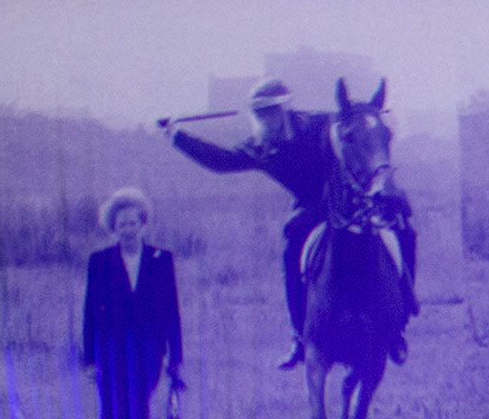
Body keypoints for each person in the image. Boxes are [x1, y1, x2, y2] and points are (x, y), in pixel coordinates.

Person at [167, 77, 417, 370]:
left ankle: (402, 312)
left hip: (350, 199)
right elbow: (220, 161)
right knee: (291, 251)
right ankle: (299, 336)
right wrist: (177, 136)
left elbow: (356, 126)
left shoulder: (318, 124)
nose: (267, 119)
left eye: (272, 112)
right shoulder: (260, 148)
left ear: (284, 110)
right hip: (311, 210)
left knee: (403, 226)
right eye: (260, 114)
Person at [80, 186, 182, 419]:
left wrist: (175, 357)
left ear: (143, 224)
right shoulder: (99, 262)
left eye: (133, 223)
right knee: (116, 413)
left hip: (148, 349)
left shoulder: (161, 259)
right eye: (121, 224)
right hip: (110, 350)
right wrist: (90, 359)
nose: (127, 229)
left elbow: (171, 310)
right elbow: (89, 312)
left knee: (136, 406)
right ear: (114, 227)